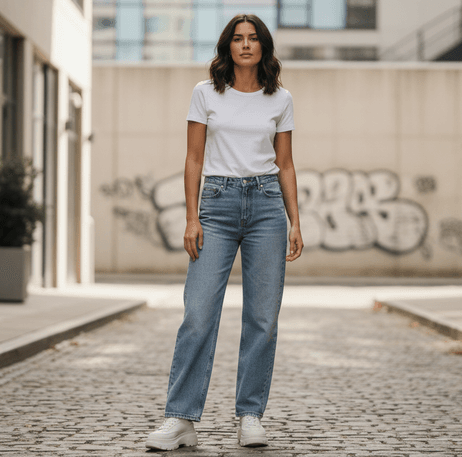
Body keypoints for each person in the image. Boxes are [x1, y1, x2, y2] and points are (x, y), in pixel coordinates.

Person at [145, 13, 303, 451]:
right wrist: (191, 217)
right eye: (238, 38)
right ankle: (181, 418)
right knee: (198, 314)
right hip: (216, 205)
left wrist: (295, 220)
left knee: (262, 319)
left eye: (253, 38)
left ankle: (250, 415)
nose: (246, 45)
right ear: (227, 46)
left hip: (267, 206)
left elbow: (285, 163)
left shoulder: (280, 98)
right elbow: (194, 158)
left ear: (263, 46)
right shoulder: (205, 92)